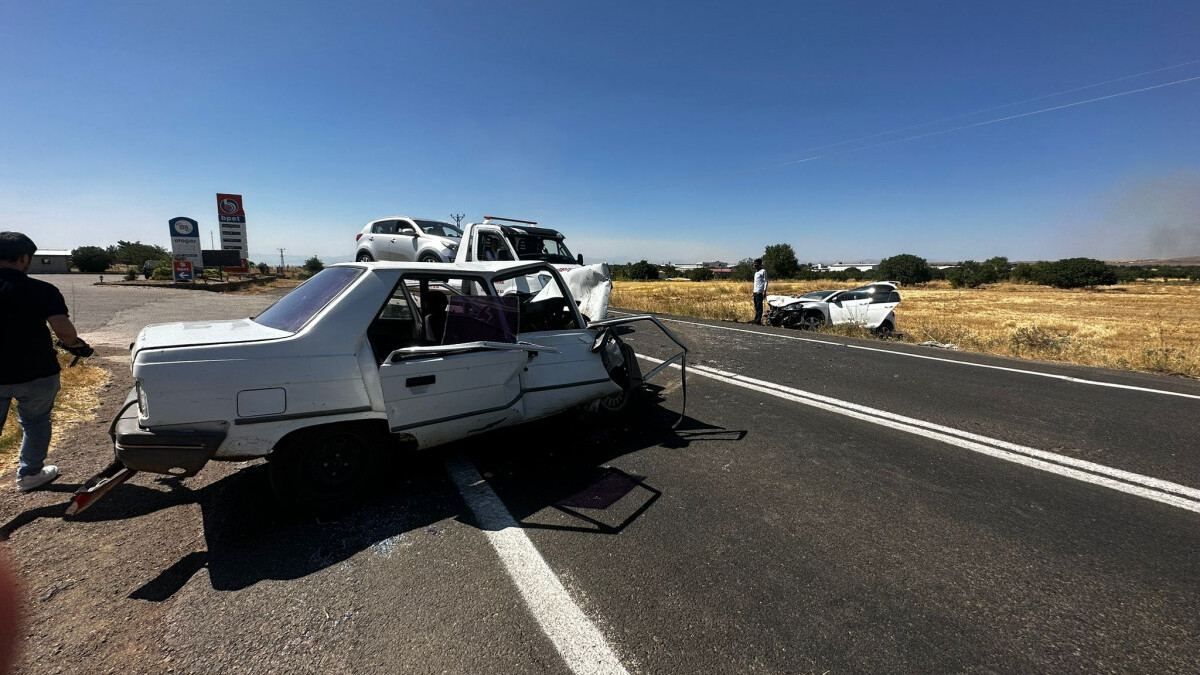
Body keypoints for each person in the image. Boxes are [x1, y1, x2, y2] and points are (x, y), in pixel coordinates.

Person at [0, 232, 93, 493]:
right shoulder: (42, 290)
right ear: (24, 258)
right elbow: (64, 332)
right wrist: (77, 346)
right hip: (36, 371)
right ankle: (29, 474)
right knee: (36, 422)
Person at [751, 258, 768, 325]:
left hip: (759, 291)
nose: (755, 265)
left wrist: (764, 291)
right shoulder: (756, 272)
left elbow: (766, 281)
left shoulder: (763, 271)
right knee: (756, 306)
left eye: (757, 264)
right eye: (755, 263)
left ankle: (758, 320)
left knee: (759, 306)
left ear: (760, 264)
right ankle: (756, 319)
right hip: (755, 291)